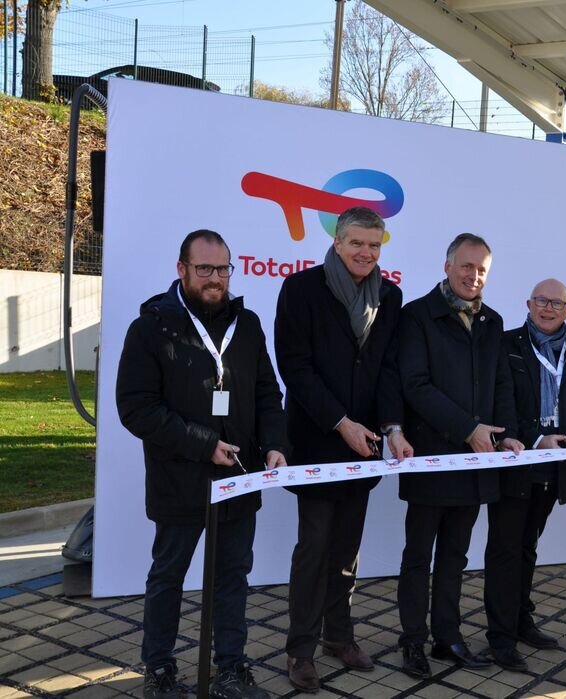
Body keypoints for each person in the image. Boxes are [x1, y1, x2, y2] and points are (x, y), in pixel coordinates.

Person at [116, 229, 287, 699]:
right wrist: (203, 443)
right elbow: (135, 407)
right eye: (205, 269)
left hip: (239, 478)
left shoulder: (247, 324)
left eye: (223, 269)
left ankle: (231, 669)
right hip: (179, 478)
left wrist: (274, 444)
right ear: (182, 270)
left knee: (232, 578)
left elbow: (267, 393)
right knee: (168, 577)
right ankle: (159, 670)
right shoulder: (151, 327)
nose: (215, 279)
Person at [274, 207, 414, 692]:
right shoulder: (301, 290)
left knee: (347, 549)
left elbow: (390, 370)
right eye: (357, 243)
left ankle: (339, 634)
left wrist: (391, 428)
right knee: (313, 548)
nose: (365, 253)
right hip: (317, 442)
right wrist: (341, 423)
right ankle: (300, 650)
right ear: (337, 242)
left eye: (374, 246)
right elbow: (295, 368)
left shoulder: (390, 296)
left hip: (365, 446)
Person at [396, 233, 525, 679]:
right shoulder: (416, 316)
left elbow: (502, 385)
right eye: (466, 266)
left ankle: (447, 638)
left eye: (482, 269)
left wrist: (506, 436)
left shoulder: (492, 321)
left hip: (478, 463)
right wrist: (468, 429)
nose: (474, 276)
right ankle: (412, 640)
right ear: (447, 265)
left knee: (455, 557)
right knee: (418, 556)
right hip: (432, 459)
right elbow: (414, 385)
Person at [483, 279, 566, 672]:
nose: (548, 308)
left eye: (557, 303)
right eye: (541, 301)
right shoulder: (506, 345)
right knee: (504, 550)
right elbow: (498, 402)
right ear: (529, 304)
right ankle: (500, 638)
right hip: (517, 463)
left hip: (556, 470)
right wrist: (535, 438)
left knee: (527, 547)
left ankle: (521, 621)